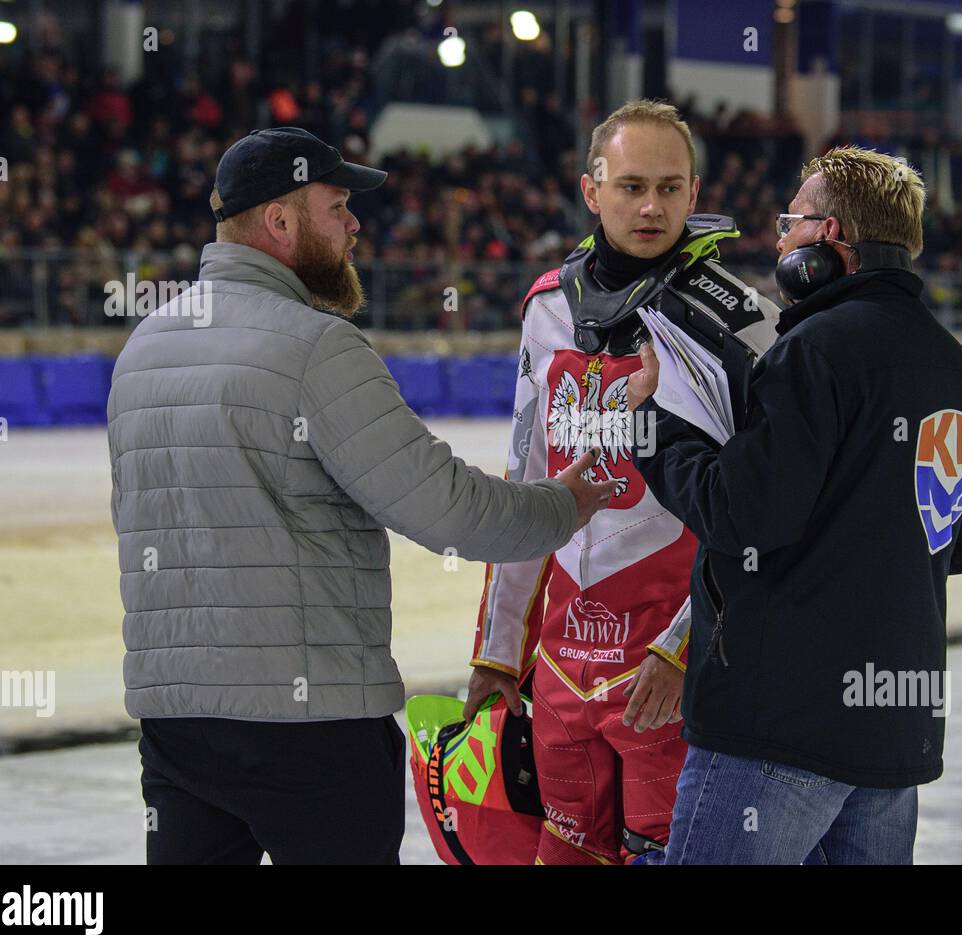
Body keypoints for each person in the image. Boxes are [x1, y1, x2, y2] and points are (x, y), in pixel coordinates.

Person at [107, 127, 616, 865]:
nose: (355, 226)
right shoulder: (317, 346)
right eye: (338, 205)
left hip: (176, 725)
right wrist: (565, 504)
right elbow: (446, 507)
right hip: (311, 728)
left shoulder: (143, 348)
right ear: (280, 221)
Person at [628, 146, 962, 865]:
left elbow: (742, 515)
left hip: (779, 725)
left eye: (789, 222)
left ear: (829, 238)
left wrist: (654, 427)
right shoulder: (957, 367)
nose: (777, 239)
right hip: (895, 736)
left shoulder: (811, 350)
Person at [464, 100, 777, 864]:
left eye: (671, 188)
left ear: (696, 195)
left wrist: (684, 649)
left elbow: (761, 510)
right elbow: (527, 479)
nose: (651, 206)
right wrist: (498, 648)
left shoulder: (742, 324)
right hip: (565, 667)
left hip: (670, 677)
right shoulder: (545, 308)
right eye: (632, 185)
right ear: (590, 190)